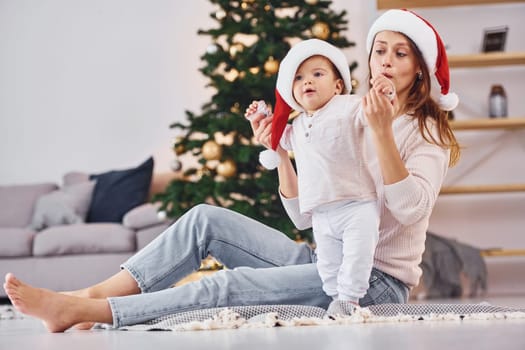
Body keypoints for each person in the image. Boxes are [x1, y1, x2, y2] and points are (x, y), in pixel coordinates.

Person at [3, 9, 460, 333]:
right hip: (324, 261)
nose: (386, 60)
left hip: (374, 284)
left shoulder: (424, 134)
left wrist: (382, 132)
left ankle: (97, 312)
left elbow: (408, 210)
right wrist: (282, 152)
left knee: (227, 285)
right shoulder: (344, 114)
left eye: (401, 54)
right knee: (205, 218)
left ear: (419, 70)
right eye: (381, 49)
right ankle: (92, 294)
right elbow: (304, 215)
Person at [245, 39, 383, 314]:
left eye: (317, 74)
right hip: (322, 213)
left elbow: (372, 113)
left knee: (357, 257)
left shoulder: (348, 107)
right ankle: (336, 302)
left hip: (356, 204)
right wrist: (262, 119)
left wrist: (384, 96)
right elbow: (276, 139)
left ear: (338, 85)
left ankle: (350, 299)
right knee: (328, 266)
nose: (307, 81)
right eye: (298, 78)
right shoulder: (296, 126)